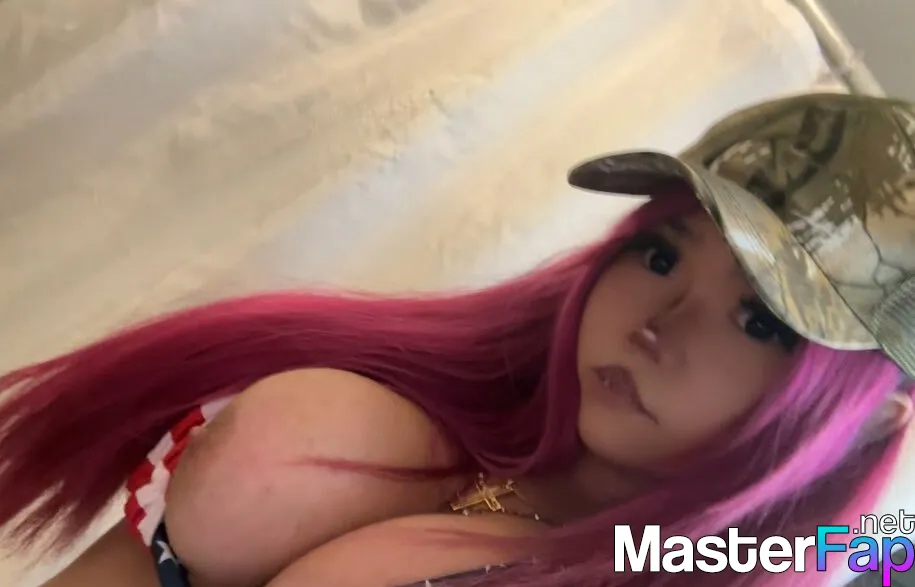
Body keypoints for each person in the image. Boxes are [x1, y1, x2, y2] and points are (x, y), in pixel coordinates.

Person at [2, 92, 914, 587]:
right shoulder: (419, 416)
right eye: (659, 252)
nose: (654, 325)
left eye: (761, 321)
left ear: (872, 416)